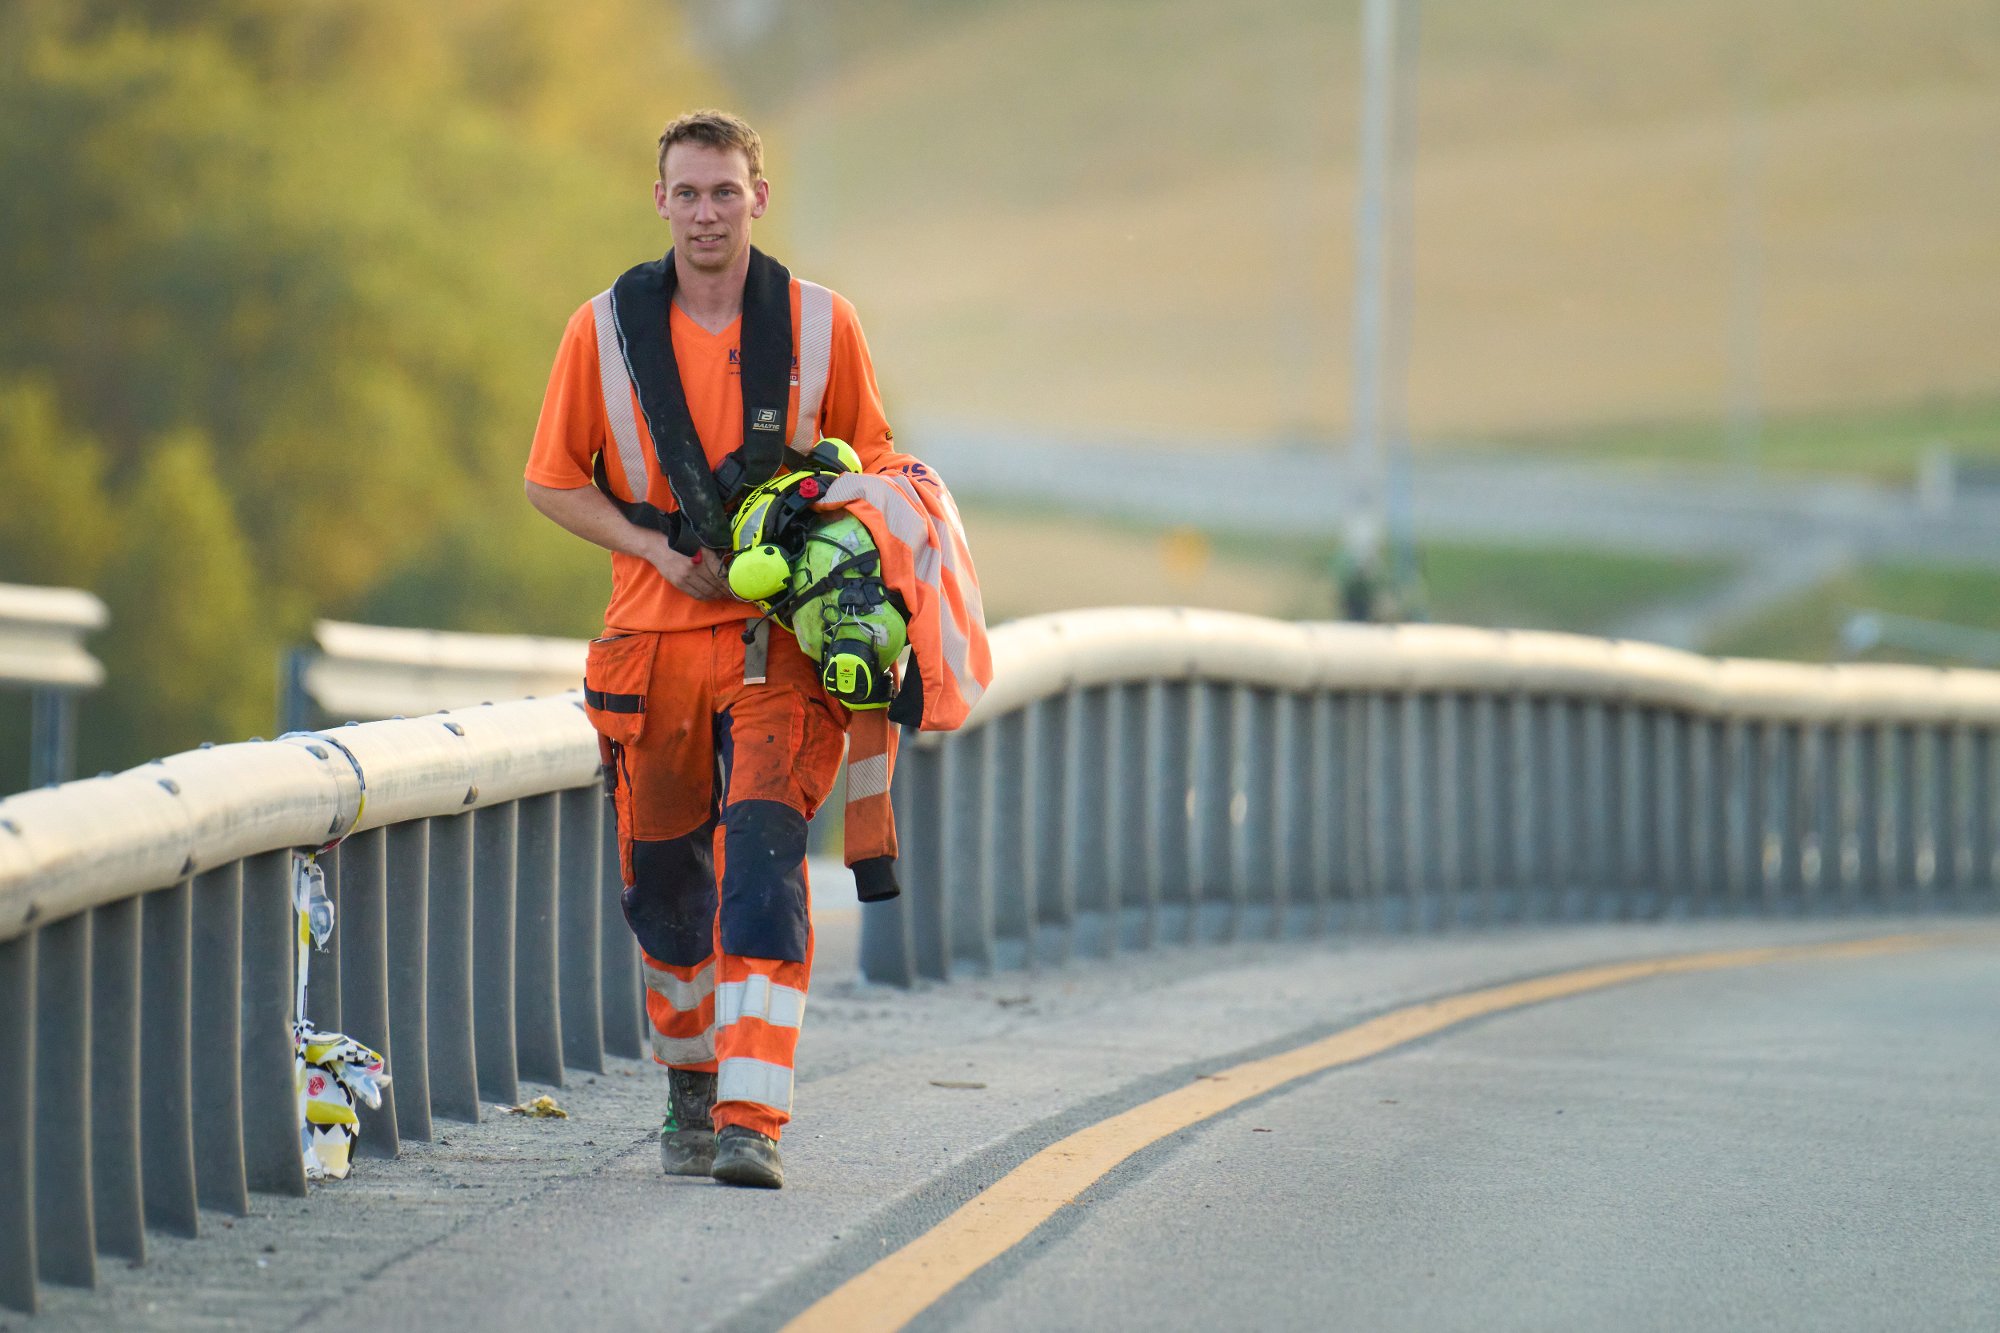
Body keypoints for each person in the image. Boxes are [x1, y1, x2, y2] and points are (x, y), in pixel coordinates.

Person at [523, 109, 930, 1190]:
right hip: (648, 644)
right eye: (688, 193)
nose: (707, 212)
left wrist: (825, 539)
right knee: (663, 886)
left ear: (759, 196)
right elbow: (552, 480)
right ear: (659, 200)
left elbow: (877, 469)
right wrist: (655, 547)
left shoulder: (821, 322)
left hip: (775, 647)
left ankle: (754, 1118)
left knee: (760, 872)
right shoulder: (599, 330)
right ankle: (690, 1083)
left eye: (725, 192)